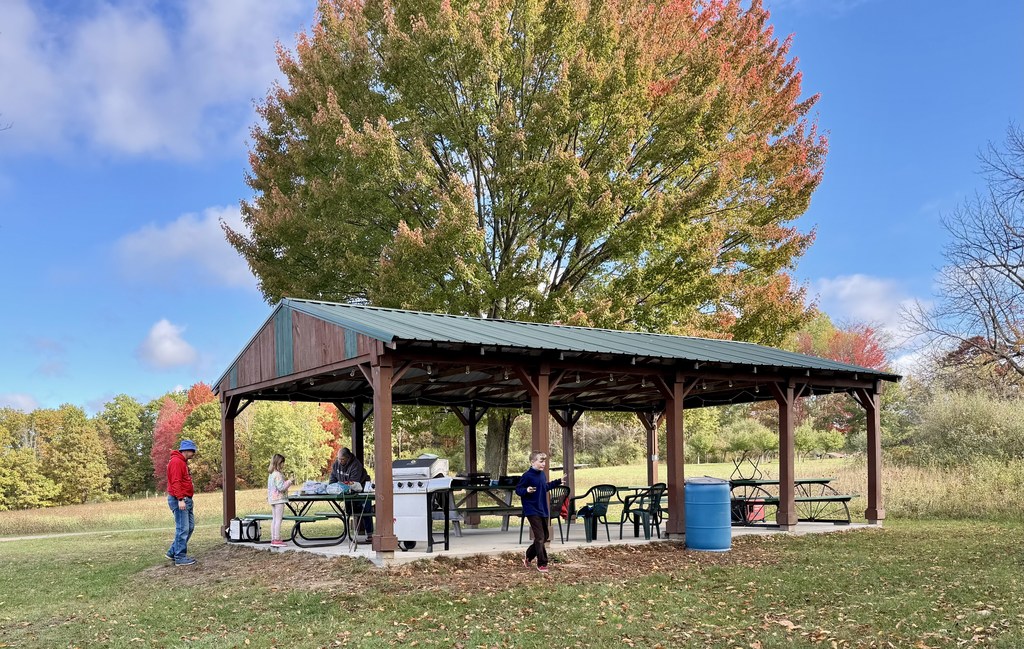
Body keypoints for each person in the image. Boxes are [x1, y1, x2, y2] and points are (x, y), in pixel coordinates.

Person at [515, 450, 562, 574]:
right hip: (531, 509)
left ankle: (528, 557)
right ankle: (542, 563)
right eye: (541, 461)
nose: (543, 464)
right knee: (540, 537)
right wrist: (526, 490)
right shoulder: (527, 476)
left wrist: (557, 482)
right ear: (532, 462)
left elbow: (544, 487)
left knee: (545, 536)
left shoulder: (542, 475)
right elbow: (518, 490)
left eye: (544, 461)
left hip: (543, 509)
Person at [328, 448, 374, 539]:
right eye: (338, 459)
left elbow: (354, 483)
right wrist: (332, 488)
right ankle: (348, 534)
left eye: (342, 459)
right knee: (349, 512)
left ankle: (370, 535)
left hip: (362, 489)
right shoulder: (336, 464)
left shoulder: (356, 465)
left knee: (366, 510)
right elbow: (332, 479)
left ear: (348, 458)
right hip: (347, 492)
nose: (340, 461)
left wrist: (344, 487)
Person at [166, 439, 197, 566]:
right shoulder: (176, 462)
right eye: (192, 451)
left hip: (186, 499)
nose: (193, 454)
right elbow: (176, 482)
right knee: (182, 528)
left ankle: (172, 552)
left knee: (189, 527)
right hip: (180, 499)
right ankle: (180, 557)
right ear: (186, 450)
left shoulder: (182, 462)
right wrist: (180, 499)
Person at [267, 454, 294, 547]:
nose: (283, 465)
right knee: (278, 519)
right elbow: (281, 487)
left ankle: (273, 538)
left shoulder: (271, 474)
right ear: (279, 463)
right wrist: (289, 481)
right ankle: (277, 539)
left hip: (273, 499)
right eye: (282, 463)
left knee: (274, 519)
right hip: (279, 500)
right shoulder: (278, 474)